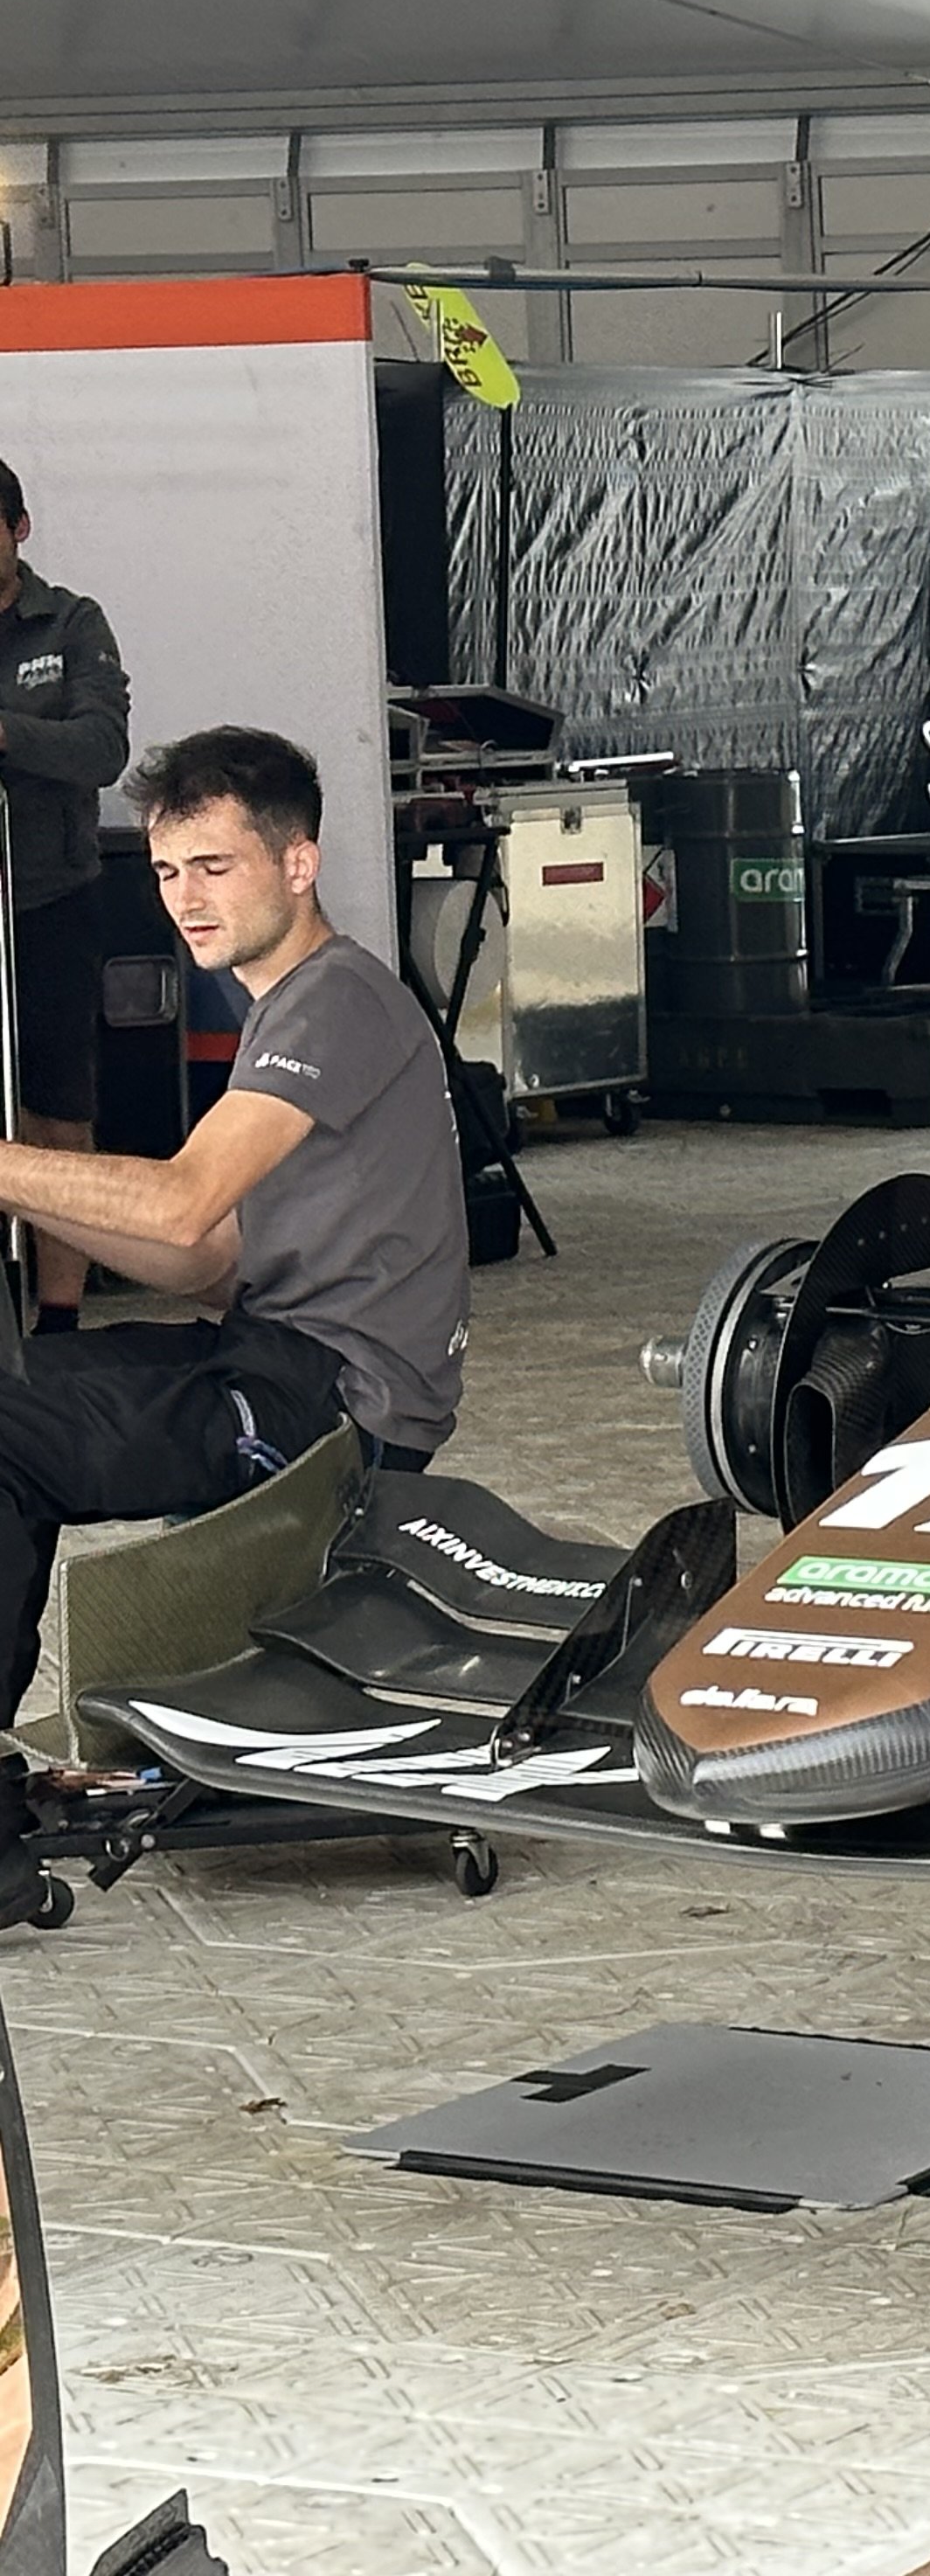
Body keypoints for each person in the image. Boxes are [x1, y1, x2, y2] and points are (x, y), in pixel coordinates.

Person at [0, 726, 469, 1714]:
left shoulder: (334, 999)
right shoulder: (293, 1005)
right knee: (16, 1387)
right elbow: (205, 1259)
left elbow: (183, 1203)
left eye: (214, 866)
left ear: (299, 865)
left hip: (337, 1409)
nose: (185, 898)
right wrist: (26, 1190)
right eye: (167, 871)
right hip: (271, 1357)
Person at [0, 458, 133, 1335]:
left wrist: (7, 735)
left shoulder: (72, 622)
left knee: (57, 1115)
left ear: (19, 528)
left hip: (49, 903)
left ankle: (58, 1323)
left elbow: (101, 749)